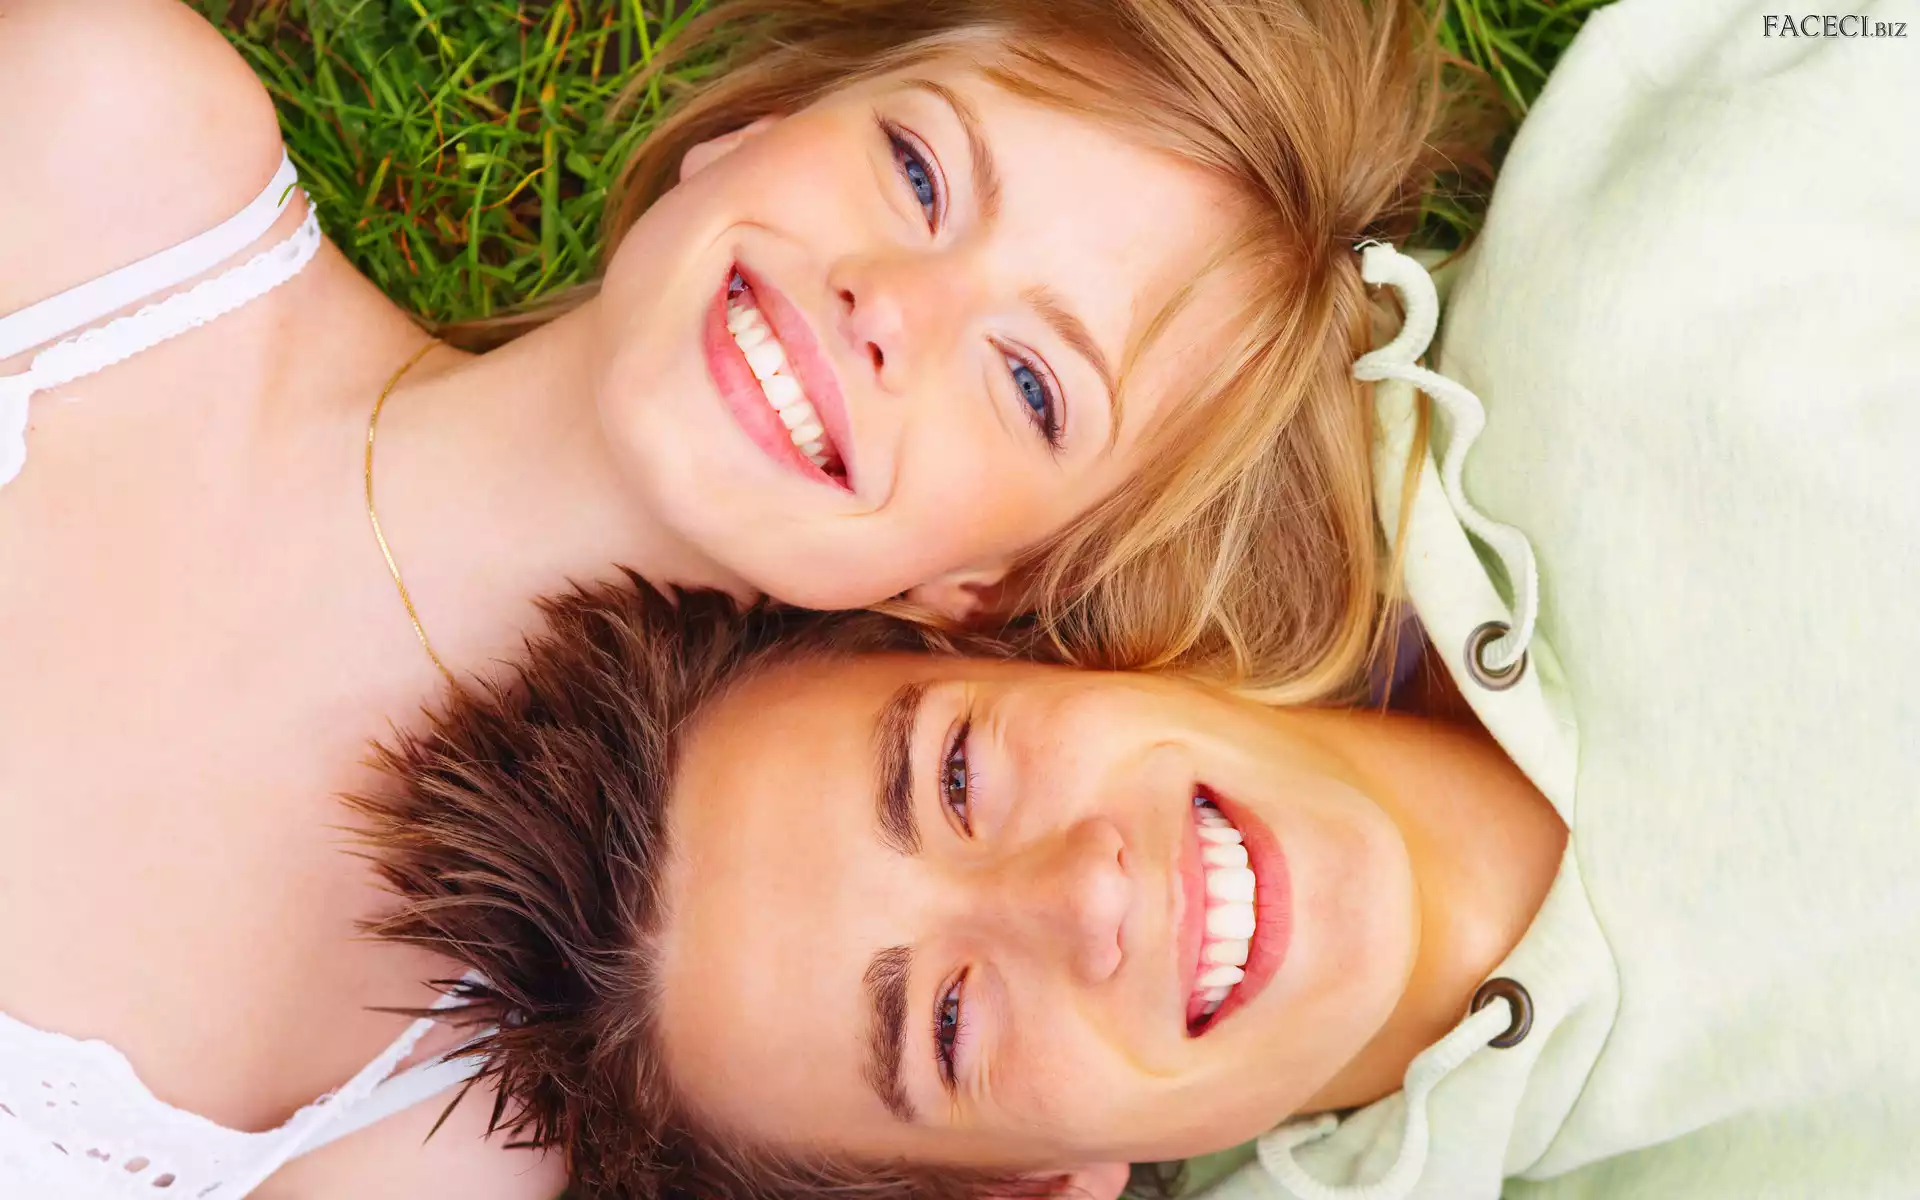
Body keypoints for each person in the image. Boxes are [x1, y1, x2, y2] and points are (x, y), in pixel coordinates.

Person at [345, 0, 1920, 1196]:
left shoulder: (1677, 291)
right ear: (1032, 1190)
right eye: (947, 1026)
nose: (1083, 897)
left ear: (1013, 623)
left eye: (959, 775)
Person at [0, 0, 1470, 1193]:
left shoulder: (466, 1117)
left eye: (1032, 384)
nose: (894, 304)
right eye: (920, 173)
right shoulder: (110, 156)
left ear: (983, 588)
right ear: (751, 136)